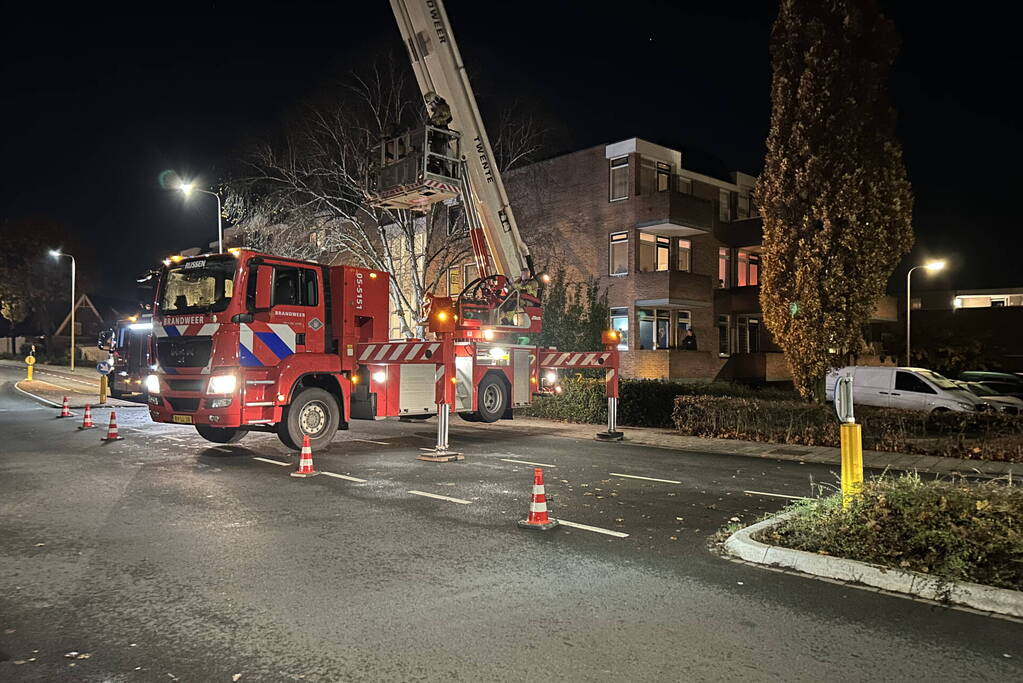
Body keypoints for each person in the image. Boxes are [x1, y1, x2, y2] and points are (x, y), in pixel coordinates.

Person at [424, 91, 453, 177]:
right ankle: (436, 171)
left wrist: (436, 121)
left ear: (435, 100)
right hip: (436, 135)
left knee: (442, 156)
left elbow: (448, 117)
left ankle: (446, 173)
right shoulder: (437, 110)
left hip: (441, 135)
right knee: (434, 155)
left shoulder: (443, 107)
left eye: (431, 103)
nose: (431, 106)